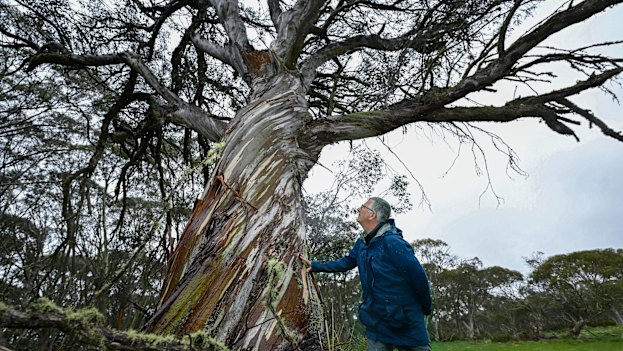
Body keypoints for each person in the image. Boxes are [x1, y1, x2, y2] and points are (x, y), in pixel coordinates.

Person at [300, 197, 432, 351]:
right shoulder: (362, 243)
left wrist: (425, 308)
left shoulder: (393, 243)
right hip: (377, 320)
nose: (358, 209)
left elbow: (418, 278)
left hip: (405, 320)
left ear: (372, 215)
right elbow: (347, 262)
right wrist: (316, 266)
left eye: (363, 206)